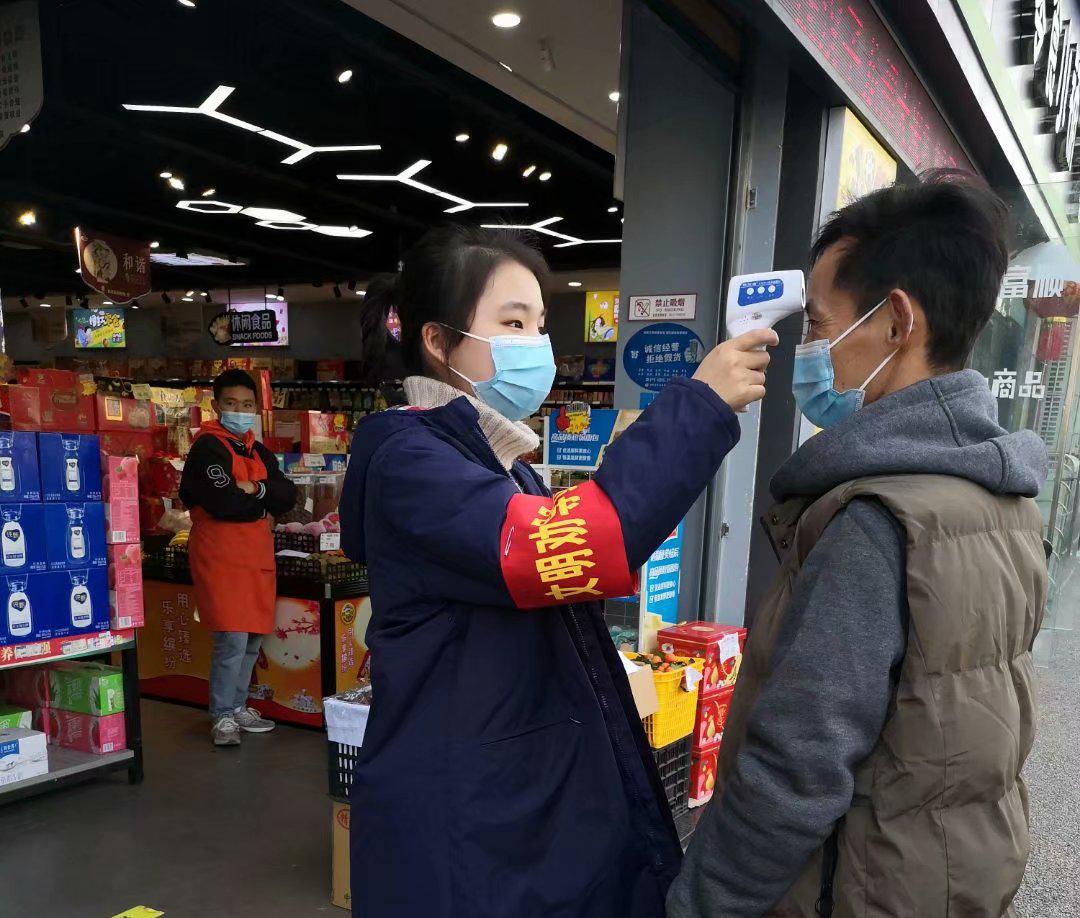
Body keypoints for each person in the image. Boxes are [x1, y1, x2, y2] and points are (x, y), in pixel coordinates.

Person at [339, 225, 778, 918]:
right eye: (513, 323)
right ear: (438, 340)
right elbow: (577, 546)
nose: (536, 344)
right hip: (467, 814)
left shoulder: (498, 463)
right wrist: (698, 406)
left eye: (540, 324)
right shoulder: (411, 463)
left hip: (508, 794)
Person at [668, 171, 1049, 918]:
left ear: (897, 322)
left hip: (853, 888)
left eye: (818, 326)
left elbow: (796, 769)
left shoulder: (875, 520)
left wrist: (697, 904)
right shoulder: (1004, 494)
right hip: (945, 872)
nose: (808, 350)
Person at [179, 369, 298, 747]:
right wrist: (262, 507)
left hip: (256, 555)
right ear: (217, 406)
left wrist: (254, 487)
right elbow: (222, 501)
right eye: (231, 403)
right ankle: (222, 714)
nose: (240, 411)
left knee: (252, 638)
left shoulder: (255, 449)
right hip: (221, 555)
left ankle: (238, 705)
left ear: (256, 408)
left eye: (247, 405)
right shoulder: (207, 448)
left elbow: (287, 494)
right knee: (231, 637)